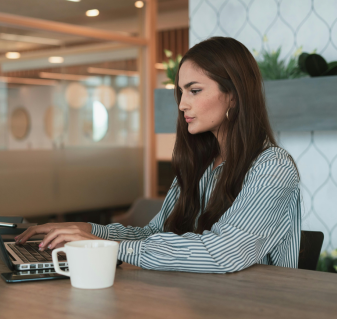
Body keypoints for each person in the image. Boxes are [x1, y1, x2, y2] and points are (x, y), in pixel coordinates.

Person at [15, 36, 301, 273]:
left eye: (195, 90)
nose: (182, 104)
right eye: (181, 92)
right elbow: (154, 235)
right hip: (200, 300)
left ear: (234, 95)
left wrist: (106, 247)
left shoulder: (273, 167)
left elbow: (223, 252)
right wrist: (88, 230)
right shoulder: (199, 164)